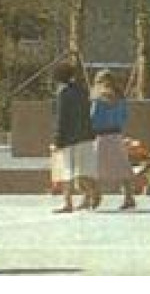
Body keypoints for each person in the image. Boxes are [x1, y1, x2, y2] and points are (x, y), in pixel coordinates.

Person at [49, 59, 100, 214]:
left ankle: (68, 203)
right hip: (85, 136)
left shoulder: (63, 94)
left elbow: (61, 118)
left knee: (67, 172)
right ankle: (93, 192)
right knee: (83, 170)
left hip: (69, 139)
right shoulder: (82, 91)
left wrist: (58, 139)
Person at [90, 71, 137, 210]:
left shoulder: (98, 99)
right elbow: (124, 117)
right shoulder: (121, 98)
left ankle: (95, 196)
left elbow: (93, 118)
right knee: (122, 166)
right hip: (116, 135)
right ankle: (129, 197)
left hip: (101, 136)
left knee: (95, 168)